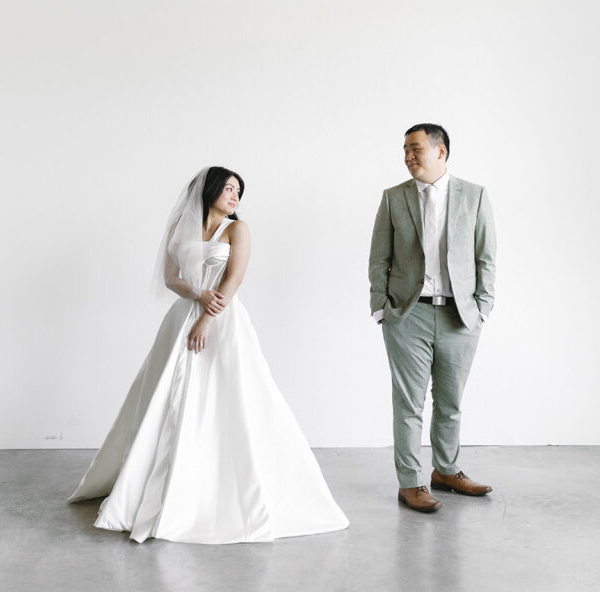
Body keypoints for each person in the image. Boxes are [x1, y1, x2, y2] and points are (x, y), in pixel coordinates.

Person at [69, 166, 349, 543]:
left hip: (221, 318)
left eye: (239, 190)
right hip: (182, 316)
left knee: (228, 397)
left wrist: (205, 319)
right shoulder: (180, 228)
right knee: (165, 397)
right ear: (210, 190)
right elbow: (170, 277)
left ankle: (217, 489)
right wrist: (196, 296)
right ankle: (154, 479)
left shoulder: (238, 230)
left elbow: (233, 280)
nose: (235, 195)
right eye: (229, 188)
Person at [369, 124, 496, 513]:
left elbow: (486, 256)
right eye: (405, 149)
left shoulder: (474, 196)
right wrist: (381, 307)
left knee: (451, 400)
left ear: (441, 151)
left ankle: (447, 470)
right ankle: (411, 482)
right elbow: (379, 257)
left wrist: (482, 308)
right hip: (408, 314)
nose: (408, 156)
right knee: (408, 404)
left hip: (460, 315)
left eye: (415, 148)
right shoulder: (394, 198)